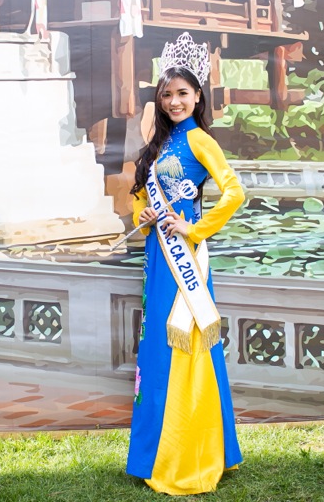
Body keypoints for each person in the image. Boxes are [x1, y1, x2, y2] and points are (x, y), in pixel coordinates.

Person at [126, 32, 245, 495]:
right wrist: (148, 213)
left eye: (183, 94)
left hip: (187, 258)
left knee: (189, 343)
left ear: (198, 96)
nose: (174, 101)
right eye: (167, 94)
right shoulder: (161, 142)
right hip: (160, 254)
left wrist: (193, 228)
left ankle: (192, 455)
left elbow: (234, 191)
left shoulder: (199, 141)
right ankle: (155, 453)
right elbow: (140, 202)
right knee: (159, 342)